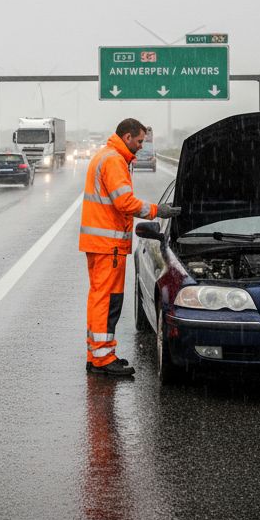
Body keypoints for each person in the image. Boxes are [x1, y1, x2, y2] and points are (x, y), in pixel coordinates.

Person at [79, 118, 180, 377]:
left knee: (100, 298)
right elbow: (125, 202)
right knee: (107, 299)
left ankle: (98, 354)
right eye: (139, 141)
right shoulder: (113, 160)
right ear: (127, 137)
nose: (141, 146)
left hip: (103, 243)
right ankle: (102, 358)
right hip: (107, 244)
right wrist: (159, 211)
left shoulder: (110, 156)